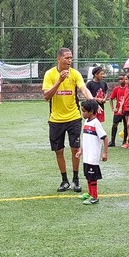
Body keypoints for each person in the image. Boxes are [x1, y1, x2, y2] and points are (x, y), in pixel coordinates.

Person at [42, 48, 94, 192]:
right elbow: (46, 96)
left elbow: (84, 89)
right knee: (59, 151)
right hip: (56, 120)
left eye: (71, 58)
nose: (70, 61)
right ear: (59, 59)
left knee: (75, 149)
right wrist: (59, 80)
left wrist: (92, 101)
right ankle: (64, 180)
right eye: (67, 58)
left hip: (74, 118)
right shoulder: (50, 74)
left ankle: (76, 179)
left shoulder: (75, 74)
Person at [76, 99, 108, 205]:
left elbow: (105, 138)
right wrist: (81, 150)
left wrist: (105, 153)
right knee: (88, 175)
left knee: (92, 176)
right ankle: (90, 193)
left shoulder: (96, 123)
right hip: (86, 156)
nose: (82, 113)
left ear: (91, 112)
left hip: (93, 157)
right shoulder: (86, 121)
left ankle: (94, 197)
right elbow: (85, 138)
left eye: (84, 111)